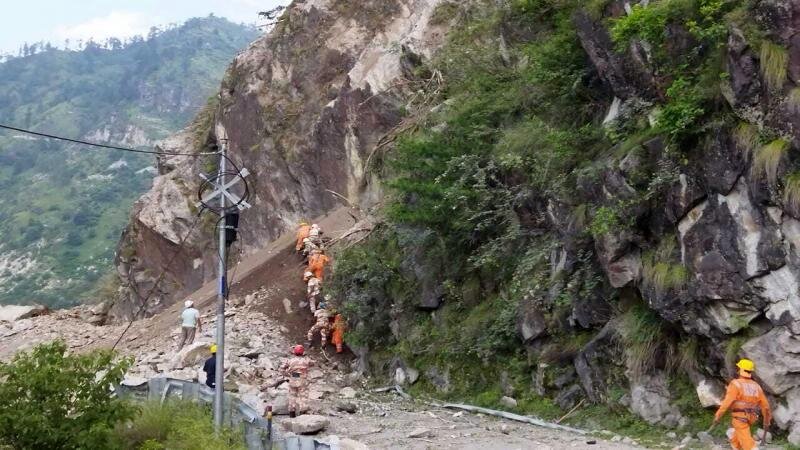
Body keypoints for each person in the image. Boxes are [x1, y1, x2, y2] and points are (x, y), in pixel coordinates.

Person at [710, 358, 772, 450]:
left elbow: (727, 403)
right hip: (752, 417)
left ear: (740, 370)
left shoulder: (736, 384)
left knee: (747, 441)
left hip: (740, 417)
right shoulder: (756, 386)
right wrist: (767, 421)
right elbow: (766, 406)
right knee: (741, 431)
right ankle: (734, 443)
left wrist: (718, 416)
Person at [279, 345, 314, 417]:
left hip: (293, 378)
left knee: (292, 395)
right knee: (303, 395)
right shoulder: (306, 360)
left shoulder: (290, 360)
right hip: (303, 379)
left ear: (294, 352)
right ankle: (303, 412)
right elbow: (313, 363)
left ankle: (292, 412)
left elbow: (281, 369)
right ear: (302, 352)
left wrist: (288, 374)